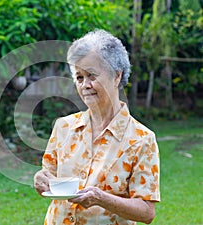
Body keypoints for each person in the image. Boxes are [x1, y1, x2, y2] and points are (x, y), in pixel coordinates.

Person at [34, 29, 160, 225]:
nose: (85, 85)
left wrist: (101, 199)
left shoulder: (142, 139)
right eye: (79, 77)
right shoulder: (63, 127)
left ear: (117, 76)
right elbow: (48, 175)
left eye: (91, 75)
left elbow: (146, 212)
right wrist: (41, 179)